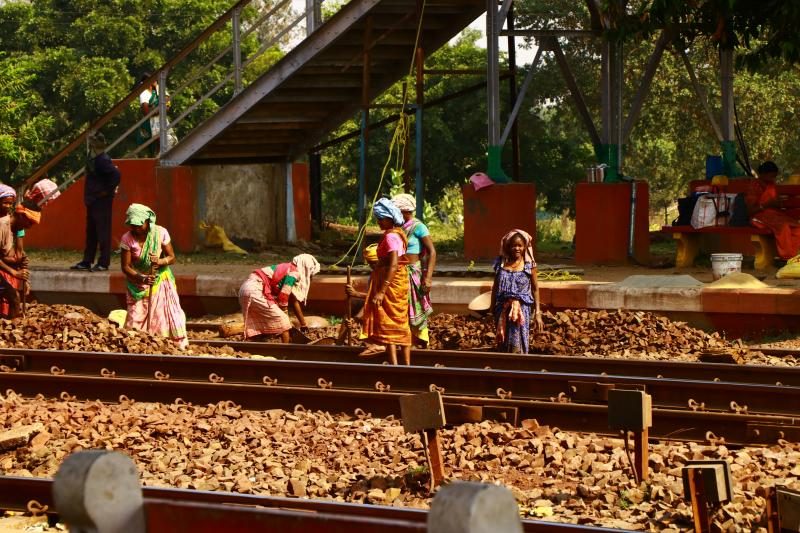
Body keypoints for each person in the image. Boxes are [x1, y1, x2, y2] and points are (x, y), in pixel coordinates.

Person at [119, 203, 188, 348]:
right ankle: (137, 347)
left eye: (139, 225)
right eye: (132, 225)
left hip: (160, 280)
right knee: (135, 318)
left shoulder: (160, 232)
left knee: (163, 317)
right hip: (138, 283)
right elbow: (125, 267)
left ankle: (165, 345)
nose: (136, 229)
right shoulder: (127, 239)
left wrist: (160, 261)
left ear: (147, 221)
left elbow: (172, 257)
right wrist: (142, 278)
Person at [360, 198, 412, 365]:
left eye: (381, 218)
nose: (379, 222)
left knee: (391, 322)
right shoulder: (397, 234)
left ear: (390, 218)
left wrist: (381, 291)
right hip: (398, 283)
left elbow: (394, 263)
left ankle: (399, 365)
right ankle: (399, 365)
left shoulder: (391, 237)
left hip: (391, 285)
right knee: (397, 324)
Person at [239, 254, 320, 343]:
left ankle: (252, 349)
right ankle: (285, 350)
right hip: (255, 290)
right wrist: (285, 315)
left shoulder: (289, 269)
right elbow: (283, 297)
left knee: (256, 324)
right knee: (283, 322)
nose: (311, 277)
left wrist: (303, 324)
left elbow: (293, 300)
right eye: (311, 274)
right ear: (306, 268)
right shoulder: (294, 273)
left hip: (245, 288)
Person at [71, 133, 121, 272]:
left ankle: (104, 263)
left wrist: (106, 191)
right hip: (93, 200)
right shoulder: (93, 156)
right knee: (91, 231)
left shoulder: (102, 159)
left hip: (101, 201)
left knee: (102, 232)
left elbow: (116, 175)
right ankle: (87, 261)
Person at [392, 193, 436, 347]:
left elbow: (432, 251)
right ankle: (403, 341)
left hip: (414, 273)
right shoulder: (396, 228)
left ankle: (418, 341)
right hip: (399, 273)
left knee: (415, 307)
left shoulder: (419, 227)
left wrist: (428, 277)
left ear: (405, 211)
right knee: (400, 307)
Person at [490, 229, 543, 354]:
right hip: (502, 309)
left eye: (520, 245)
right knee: (502, 343)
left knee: (517, 345)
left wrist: (538, 313)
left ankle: (518, 368)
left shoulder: (529, 266)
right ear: (508, 247)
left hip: (522, 311)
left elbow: (535, 289)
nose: (517, 248)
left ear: (525, 247)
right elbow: (495, 288)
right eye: (514, 245)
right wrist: (491, 310)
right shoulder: (501, 265)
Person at [0, 185, 28, 318]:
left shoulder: (14, 223)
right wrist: (14, 272)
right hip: (4, 266)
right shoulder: (2, 225)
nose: (7, 206)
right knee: (13, 298)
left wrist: (20, 230)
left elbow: (19, 253)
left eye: (10, 204)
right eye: (5, 202)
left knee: (13, 297)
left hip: (6, 265)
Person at [137, 74, 175, 155]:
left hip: (162, 120)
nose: (155, 81)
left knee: (170, 141)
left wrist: (156, 108)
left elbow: (167, 104)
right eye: (153, 80)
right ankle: (157, 160)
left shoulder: (158, 90)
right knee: (159, 142)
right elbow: (146, 112)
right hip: (152, 123)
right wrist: (159, 109)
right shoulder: (144, 93)